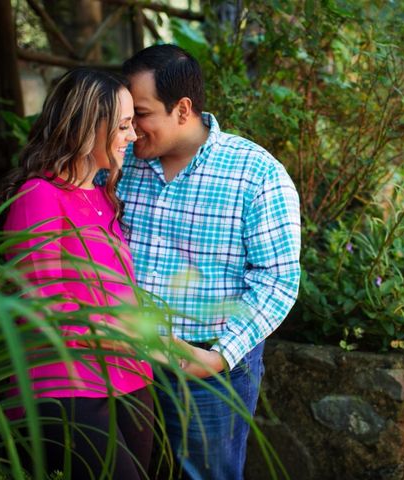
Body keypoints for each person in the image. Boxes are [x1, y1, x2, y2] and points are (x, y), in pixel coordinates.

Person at [115, 44, 301, 479]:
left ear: (182, 109)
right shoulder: (118, 161)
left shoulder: (257, 174)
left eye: (140, 114)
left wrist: (219, 357)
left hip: (208, 370)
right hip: (122, 358)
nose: (129, 128)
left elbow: (277, 281)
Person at [1, 67, 154, 480]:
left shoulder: (104, 196)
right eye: (123, 125)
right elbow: (43, 309)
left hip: (130, 376)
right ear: (89, 127)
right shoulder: (39, 195)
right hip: (67, 382)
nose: (133, 135)